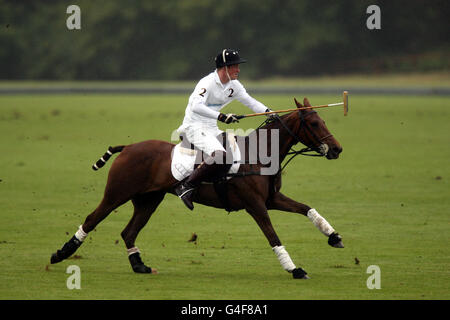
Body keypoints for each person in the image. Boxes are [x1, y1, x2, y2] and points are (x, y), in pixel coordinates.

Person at [175, 49, 274, 210]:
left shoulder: (234, 85)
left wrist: (269, 112)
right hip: (193, 127)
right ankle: (186, 186)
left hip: (211, 128)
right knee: (220, 154)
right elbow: (196, 106)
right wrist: (222, 116)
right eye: (235, 66)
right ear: (224, 68)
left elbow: (250, 101)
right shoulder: (207, 83)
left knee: (238, 149)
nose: (238, 70)